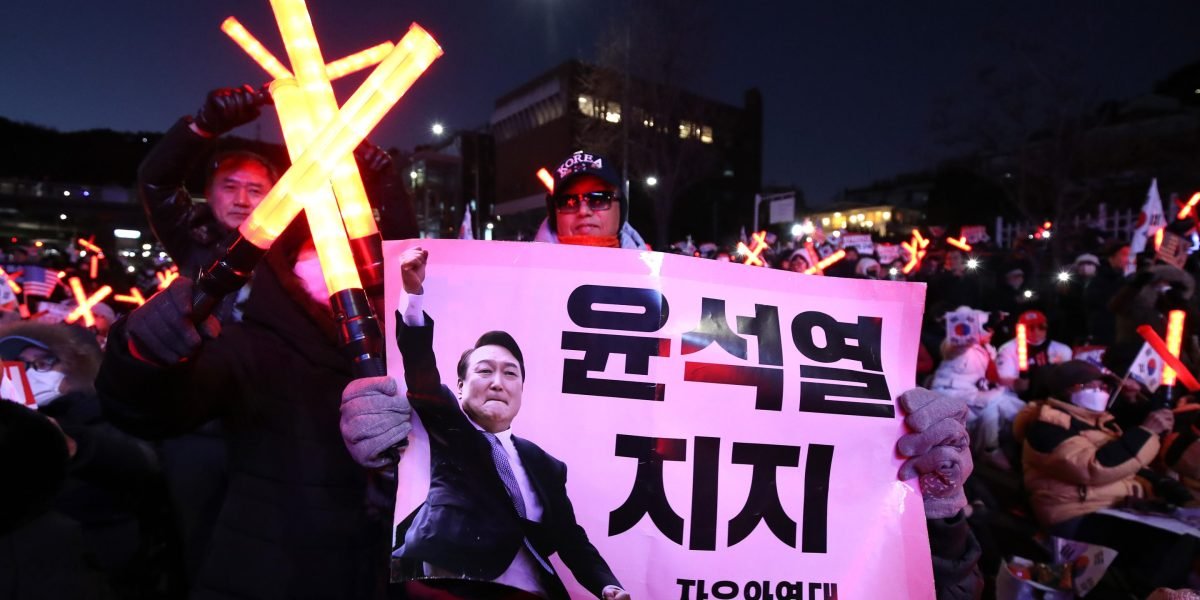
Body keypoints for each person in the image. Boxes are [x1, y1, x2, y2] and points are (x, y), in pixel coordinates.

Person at [96, 222, 394, 599]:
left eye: (358, 250)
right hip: (268, 573)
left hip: (378, 574)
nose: (342, 263)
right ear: (290, 267)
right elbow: (149, 409)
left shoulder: (412, 350)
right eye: (321, 248)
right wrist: (144, 354)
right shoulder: (252, 348)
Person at [373, 247, 628, 600]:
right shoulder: (451, 428)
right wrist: (413, 295)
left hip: (532, 586)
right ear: (459, 388)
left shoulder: (547, 466)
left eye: (510, 374)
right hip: (447, 577)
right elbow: (421, 370)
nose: (497, 383)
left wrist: (607, 585)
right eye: (484, 371)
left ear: (522, 390)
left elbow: (571, 538)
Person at [0, 321, 165, 596]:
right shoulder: (12, 431)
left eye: (43, 362)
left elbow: (146, 465)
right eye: (18, 365)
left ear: (75, 365)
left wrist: (75, 444)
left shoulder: (112, 410)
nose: (31, 374)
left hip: (108, 571)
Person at [1013, 360, 1195, 593]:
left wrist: (1162, 485)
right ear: (1068, 390)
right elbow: (1096, 467)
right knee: (1165, 545)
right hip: (1073, 517)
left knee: (1181, 537)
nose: (1101, 392)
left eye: (1104, 387)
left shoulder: (1097, 422)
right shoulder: (1047, 426)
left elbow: (1128, 463)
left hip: (1107, 507)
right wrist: (1147, 431)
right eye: (1093, 386)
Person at [534, 150, 646, 250]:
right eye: (568, 202)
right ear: (554, 215)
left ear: (620, 209)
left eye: (599, 199)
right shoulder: (526, 265)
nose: (583, 211)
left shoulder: (652, 264)